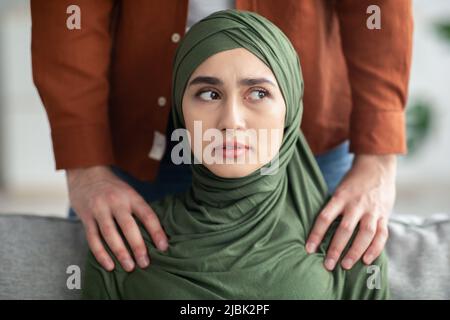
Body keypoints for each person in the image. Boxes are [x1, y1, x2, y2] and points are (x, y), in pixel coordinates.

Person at [30, 1, 412, 274]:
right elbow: (68, 11)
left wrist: (377, 161)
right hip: (138, 141)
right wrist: (87, 169)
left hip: (309, 143)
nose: (232, 122)